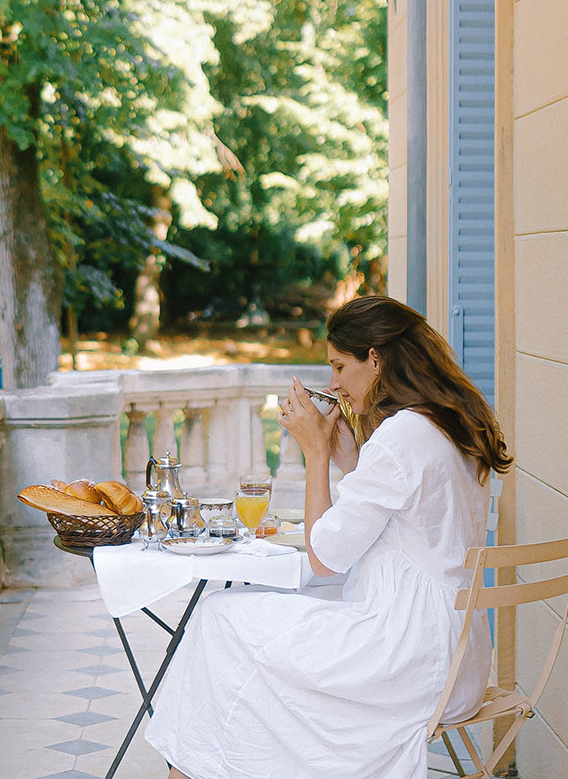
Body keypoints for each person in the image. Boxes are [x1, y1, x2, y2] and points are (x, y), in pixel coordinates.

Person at [144, 295, 512, 779]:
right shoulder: (447, 423)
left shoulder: (403, 433)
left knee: (219, 617)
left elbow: (324, 558)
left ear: (375, 359)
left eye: (339, 365)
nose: (335, 383)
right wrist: (349, 461)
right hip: (457, 660)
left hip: (405, 659)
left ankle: (194, 773)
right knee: (252, 628)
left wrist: (315, 452)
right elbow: (407, 517)